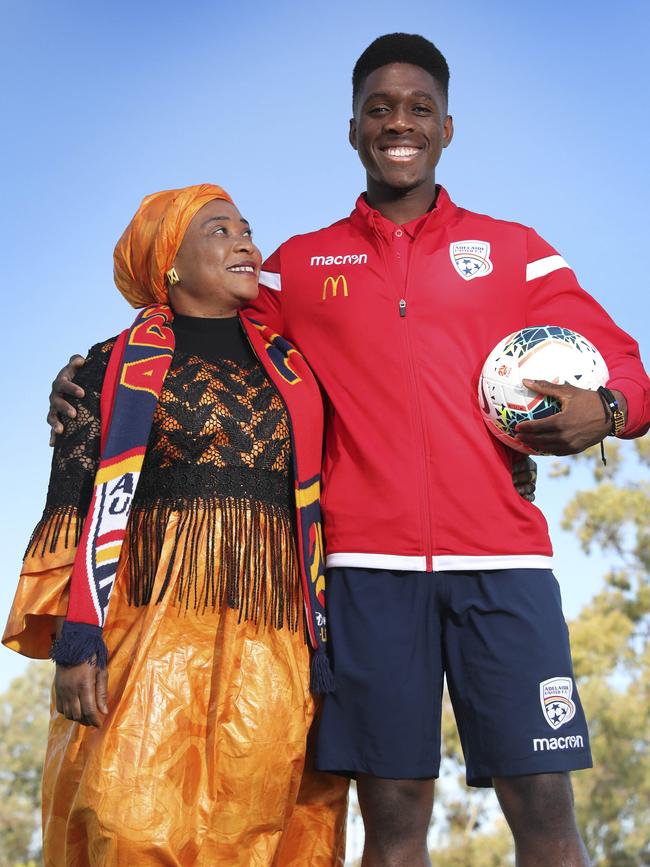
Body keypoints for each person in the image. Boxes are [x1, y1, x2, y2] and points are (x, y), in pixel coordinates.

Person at [44, 34, 628, 867]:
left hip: (505, 567)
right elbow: (203, 339)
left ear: (448, 128)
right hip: (363, 578)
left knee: (545, 813)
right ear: (353, 128)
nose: (400, 122)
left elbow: (623, 359)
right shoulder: (301, 267)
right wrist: (87, 376)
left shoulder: (514, 249)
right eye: (380, 108)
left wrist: (606, 411)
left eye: (419, 107)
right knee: (392, 827)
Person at [4, 183, 348, 866]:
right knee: (126, 823)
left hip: (273, 640)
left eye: (247, 228)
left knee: (264, 821)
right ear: (170, 264)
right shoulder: (107, 367)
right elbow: (72, 500)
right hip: (147, 634)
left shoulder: (297, 368)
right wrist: (76, 641)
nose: (245, 241)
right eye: (219, 231)